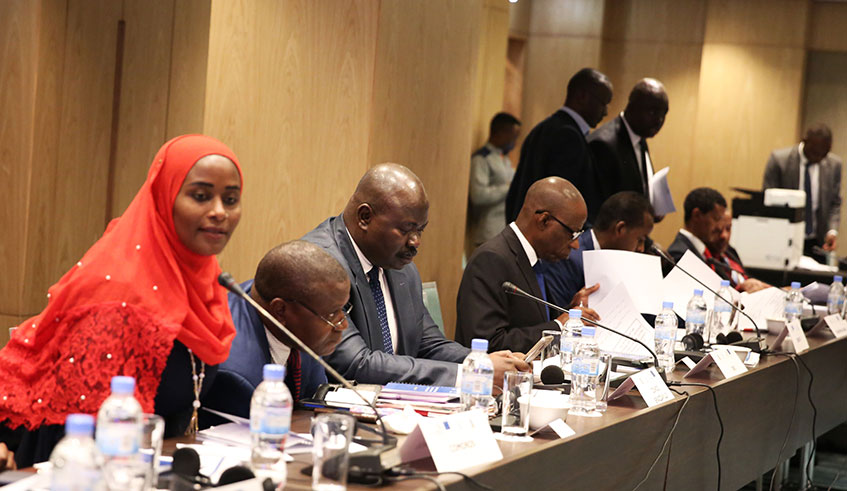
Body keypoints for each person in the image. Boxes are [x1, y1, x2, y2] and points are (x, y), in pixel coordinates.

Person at [0, 135, 243, 467]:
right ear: (164, 197)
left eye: (231, 200)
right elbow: (92, 430)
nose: (219, 212)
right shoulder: (119, 294)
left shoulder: (207, 285)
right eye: (200, 196)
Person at [302, 163, 529, 386]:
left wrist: (480, 362)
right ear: (364, 217)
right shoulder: (321, 264)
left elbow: (428, 343)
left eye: (420, 230)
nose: (415, 242)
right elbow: (355, 364)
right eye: (405, 230)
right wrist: (470, 375)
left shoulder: (401, 266)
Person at [204, 241, 350, 418]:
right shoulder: (236, 376)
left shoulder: (291, 310)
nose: (343, 325)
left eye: (342, 309)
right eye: (332, 314)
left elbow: (311, 405)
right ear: (280, 311)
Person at [456, 177, 600, 353]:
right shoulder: (491, 260)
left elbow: (534, 321)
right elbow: (486, 344)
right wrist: (559, 326)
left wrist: (572, 312)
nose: (575, 244)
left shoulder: (536, 258)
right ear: (544, 221)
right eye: (572, 233)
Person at [506, 68, 613, 223]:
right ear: (582, 96)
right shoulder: (569, 136)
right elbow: (562, 204)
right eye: (603, 103)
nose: (605, 112)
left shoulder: (542, 128)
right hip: (549, 240)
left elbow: (515, 194)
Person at [542, 191, 655, 309]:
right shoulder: (570, 257)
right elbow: (555, 314)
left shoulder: (617, 262)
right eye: (640, 240)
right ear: (620, 229)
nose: (641, 249)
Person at [763, 124, 842, 260]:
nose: (819, 158)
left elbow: (835, 202)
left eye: (824, 154)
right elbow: (768, 199)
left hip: (816, 242)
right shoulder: (779, 160)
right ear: (804, 141)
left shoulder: (834, 164)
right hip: (784, 238)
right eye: (815, 153)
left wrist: (832, 231)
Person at [588, 78, 669, 211]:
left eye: (664, 113)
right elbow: (602, 206)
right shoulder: (604, 143)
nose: (659, 121)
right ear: (633, 106)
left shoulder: (640, 137)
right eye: (653, 112)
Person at [467, 112, 521, 248]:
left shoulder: (505, 159)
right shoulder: (482, 159)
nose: (514, 143)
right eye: (512, 137)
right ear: (500, 132)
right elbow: (478, 196)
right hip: (489, 232)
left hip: (505, 230)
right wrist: (509, 187)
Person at [664, 187, 727, 275]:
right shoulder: (679, 254)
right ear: (697, 215)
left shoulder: (706, 251)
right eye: (716, 219)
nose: (720, 227)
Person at [705, 211, 770, 293]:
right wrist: (741, 288)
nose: (724, 235)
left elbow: (745, 277)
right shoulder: (706, 258)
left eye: (728, 228)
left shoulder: (730, 251)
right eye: (719, 230)